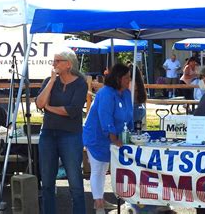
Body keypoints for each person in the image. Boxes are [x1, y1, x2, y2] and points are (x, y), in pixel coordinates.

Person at [35, 48, 88, 214]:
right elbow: (39, 103)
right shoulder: (49, 81)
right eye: (54, 60)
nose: (54, 63)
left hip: (70, 135)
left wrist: (49, 108)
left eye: (58, 60)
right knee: (47, 183)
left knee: (75, 183)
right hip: (48, 134)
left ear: (68, 64)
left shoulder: (80, 83)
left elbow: (72, 111)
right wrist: (51, 81)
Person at [83, 63, 133, 214]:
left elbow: (129, 115)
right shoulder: (105, 93)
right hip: (97, 137)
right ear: (118, 78)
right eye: (126, 78)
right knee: (98, 169)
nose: (129, 80)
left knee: (104, 169)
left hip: (115, 137)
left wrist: (130, 133)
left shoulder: (125, 93)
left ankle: (100, 199)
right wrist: (113, 137)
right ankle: (98, 204)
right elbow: (105, 117)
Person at [129, 63, 148, 130]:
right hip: (140, 108)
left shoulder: (131, 83)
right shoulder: (140, 82)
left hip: (134, 109)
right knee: (138, 129)